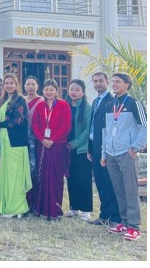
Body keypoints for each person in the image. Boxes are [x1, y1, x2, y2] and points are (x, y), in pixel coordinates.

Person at [101, 72, 147, 241]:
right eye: (113, 82)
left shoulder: (135, 103)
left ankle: (134, 226)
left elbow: (144, 128)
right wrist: (103, 153)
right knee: (119, 190)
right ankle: (124, 222)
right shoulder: (110, 105)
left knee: (130, 190)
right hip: (111, 154)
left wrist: (134, 148)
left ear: (127, 84)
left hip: (127, 153)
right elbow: (106, 131)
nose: (114, 84)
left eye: (118, 82)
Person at [31, 79, 71, 221]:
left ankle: (54, 209)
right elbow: (35, 125)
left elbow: (66, 125)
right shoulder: (40, 106)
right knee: (42, 176)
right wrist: (42, 139)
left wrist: (52, 139)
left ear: (56, 91)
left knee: (55, 176)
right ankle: (41, 208)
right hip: (42, 145)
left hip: (58, 145)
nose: (49, 92)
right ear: (43, 91)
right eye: (46, 89)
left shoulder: (63, 105)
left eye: (51, 89)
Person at [0, 73, 32, 218]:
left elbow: (18, 120)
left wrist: (0, 124)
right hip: (4, 141)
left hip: (16, 142)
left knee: (15, 175)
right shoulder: (3, 100)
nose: (9, 85)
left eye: (12, 83)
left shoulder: (20, 100)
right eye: (6, 83)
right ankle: (7, 205)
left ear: (17, 85)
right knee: (7, 174)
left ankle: (17, 208)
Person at [87, 72, 119, 226]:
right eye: (95, 81)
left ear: (107, 82)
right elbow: (92, 127)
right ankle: (104, 215)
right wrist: (89, 148)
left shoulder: (112, 101)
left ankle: (114, 217)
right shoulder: (95, 101)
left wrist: (104, 151)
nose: (98, 83)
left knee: (109, 183)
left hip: (105, 149)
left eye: (101, 81)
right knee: (100, 183)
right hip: (94, 147)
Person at [64, 79, 93, 221]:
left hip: (81, 149)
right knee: (71, 178)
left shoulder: (87, 107)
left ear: (83, 92)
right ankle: (74, 208)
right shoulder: (64, 106)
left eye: (77, 89)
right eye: (72, 89)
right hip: (66, 148)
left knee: (83, 179)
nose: (74, 92)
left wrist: (74, 144)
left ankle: (86, 210)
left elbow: (88, 130)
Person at [23, 75, 43, 211]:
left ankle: (36, 201)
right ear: (24, 86)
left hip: (37, 138)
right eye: (28, 84)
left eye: (33, 84)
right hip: (22, 138)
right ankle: (25, 200)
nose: (30, 87)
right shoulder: (21, 100)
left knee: (34, 168)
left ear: (37, 86)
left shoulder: (41, 100)